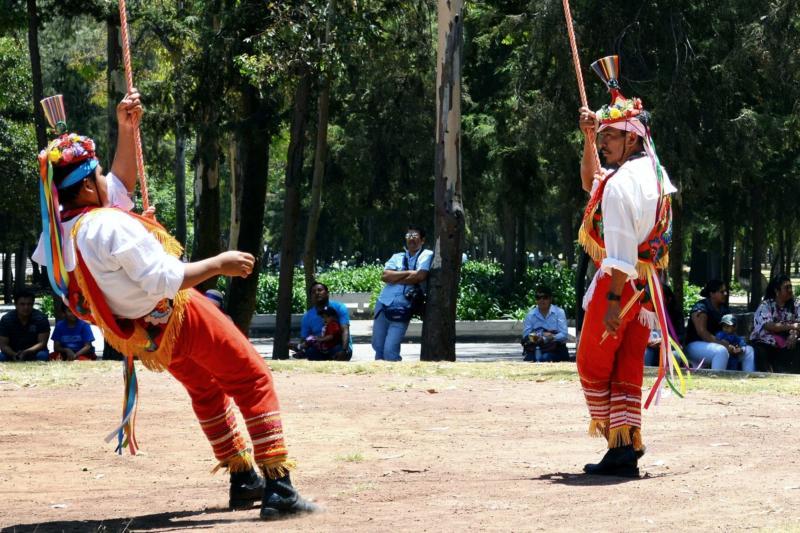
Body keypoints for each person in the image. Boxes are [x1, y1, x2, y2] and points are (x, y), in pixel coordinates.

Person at [31, 90, 316, 520]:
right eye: (99, 176)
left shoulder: (61, 232)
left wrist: (128, 131)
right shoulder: (107, 226)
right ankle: (278, 485)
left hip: (144, 338)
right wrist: (219, 263)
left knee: (205, 387)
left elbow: (119, 186)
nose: (109, 182)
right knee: (252, 379)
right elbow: (165, 278)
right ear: (88, 186)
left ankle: (243, 477)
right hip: (176, 314)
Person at [575, 58, 677, 477]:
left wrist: (613, 303)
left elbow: (616, 254)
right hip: (648, 290)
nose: (603, 143)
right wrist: (586, 137)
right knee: (627, 365)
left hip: (622, 286)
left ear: (632, 138)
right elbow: (589, 180)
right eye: (601, 136)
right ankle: (625, 446)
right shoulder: (654, 172)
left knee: (591, 363)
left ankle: (619, 441)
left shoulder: (619, 186)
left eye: (610, 136)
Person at [372, 225, 433, 362]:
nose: (411, 239)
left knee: (390, 350)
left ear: (422, 240)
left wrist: (396, 278)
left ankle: (395, 378)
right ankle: (379, 378)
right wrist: (409, 273)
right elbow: (385, 276)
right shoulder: (397, 257)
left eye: (415, 236)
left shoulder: (427, 255)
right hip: (383, 303)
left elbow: (420, 276)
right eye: (408, 236)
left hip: (403, 307)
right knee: (377, 346)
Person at [684, 279, 755, 372]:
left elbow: (732, 331)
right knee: (721, 351)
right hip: (695, 345)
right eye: (722, 292)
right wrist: (723, 344)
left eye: (725, 291)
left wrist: (737, 346)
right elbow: (702, 332)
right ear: (712, 293)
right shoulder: (701, 307)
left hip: (721, 344)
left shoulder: (724, 309)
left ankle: (748, 379)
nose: (725, 294)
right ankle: (717, 380)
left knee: (748, 350)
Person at [750, 274, 800, 373]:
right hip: (766, 343)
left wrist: (794, 334)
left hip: (788, 343)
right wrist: (792, 326)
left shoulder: (796, 305)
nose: (790, 290)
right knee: (761, 350)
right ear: (777, 291)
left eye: (790, 287)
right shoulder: (766, 306)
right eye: (786, 288)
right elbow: (769, 326)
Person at [291, 281, 352, 361]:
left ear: (327, 293)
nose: (317, 293)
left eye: (320, 290)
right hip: (320, 348)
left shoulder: (340, 307)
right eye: (313, 292)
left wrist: (344, 350)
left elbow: (345, 330)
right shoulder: (307, 316)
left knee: (338, 350)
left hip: (338, 346)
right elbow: (304, 338)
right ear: (311, 297)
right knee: (310, 351)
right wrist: (301, 348)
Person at [520, 285, 569, 362]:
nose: (541, 300)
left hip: (556, 349)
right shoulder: (530, 315)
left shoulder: (559, 312)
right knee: (529, 359)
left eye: (545, 297)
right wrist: (541, 334)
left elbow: (564, 335)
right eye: (538, 298)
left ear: (550, 299)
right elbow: (526, 336)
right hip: (536, 348)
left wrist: (552, 337)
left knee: (545, 357)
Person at [0, 289, 50, 362]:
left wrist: (25, 352)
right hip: (12, 352)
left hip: (35, 351)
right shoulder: (6, 319)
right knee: (1, 357)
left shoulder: (41, 318)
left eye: (29, 304)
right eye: (22, 304)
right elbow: (3, 345)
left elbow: (42, 343)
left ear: (33, 304)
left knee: (42, 356)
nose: (26, 307)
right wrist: (14, 354)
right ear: (16, 305)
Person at [643, 284, 684, 366]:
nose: (655, 300)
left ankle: (670, 377)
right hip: (649, 347)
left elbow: (680, 336)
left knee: (676, 355)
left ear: (669, 299)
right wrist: (647, 342)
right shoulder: (645, 312)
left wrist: (664, 341)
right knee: (647, 353)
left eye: (659, 297)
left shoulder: (676, 314)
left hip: (668, 347)